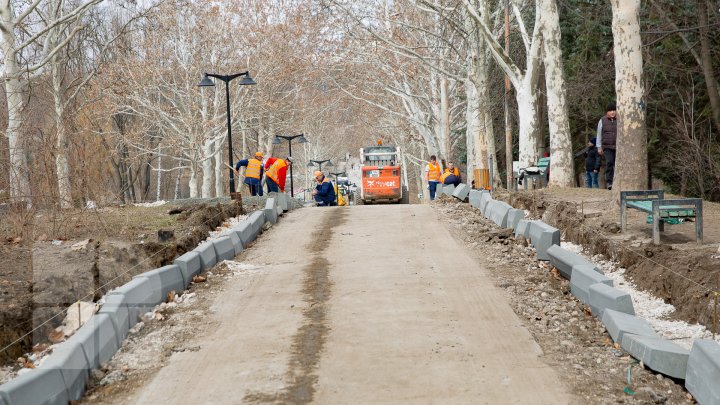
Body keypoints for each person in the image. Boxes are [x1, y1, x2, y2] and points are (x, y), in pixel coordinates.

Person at [597, 102, 617, 190]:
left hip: (618, 147)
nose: (612, 112)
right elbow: (599, 134)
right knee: (609, 162)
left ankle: (617, 181)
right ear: (607, 112)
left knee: (618, 164)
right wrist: (599, 147)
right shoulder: (602, 120)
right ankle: (609, 182)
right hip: (607, 147)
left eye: (614, 110)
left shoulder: (620, 119)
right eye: (610, 110)